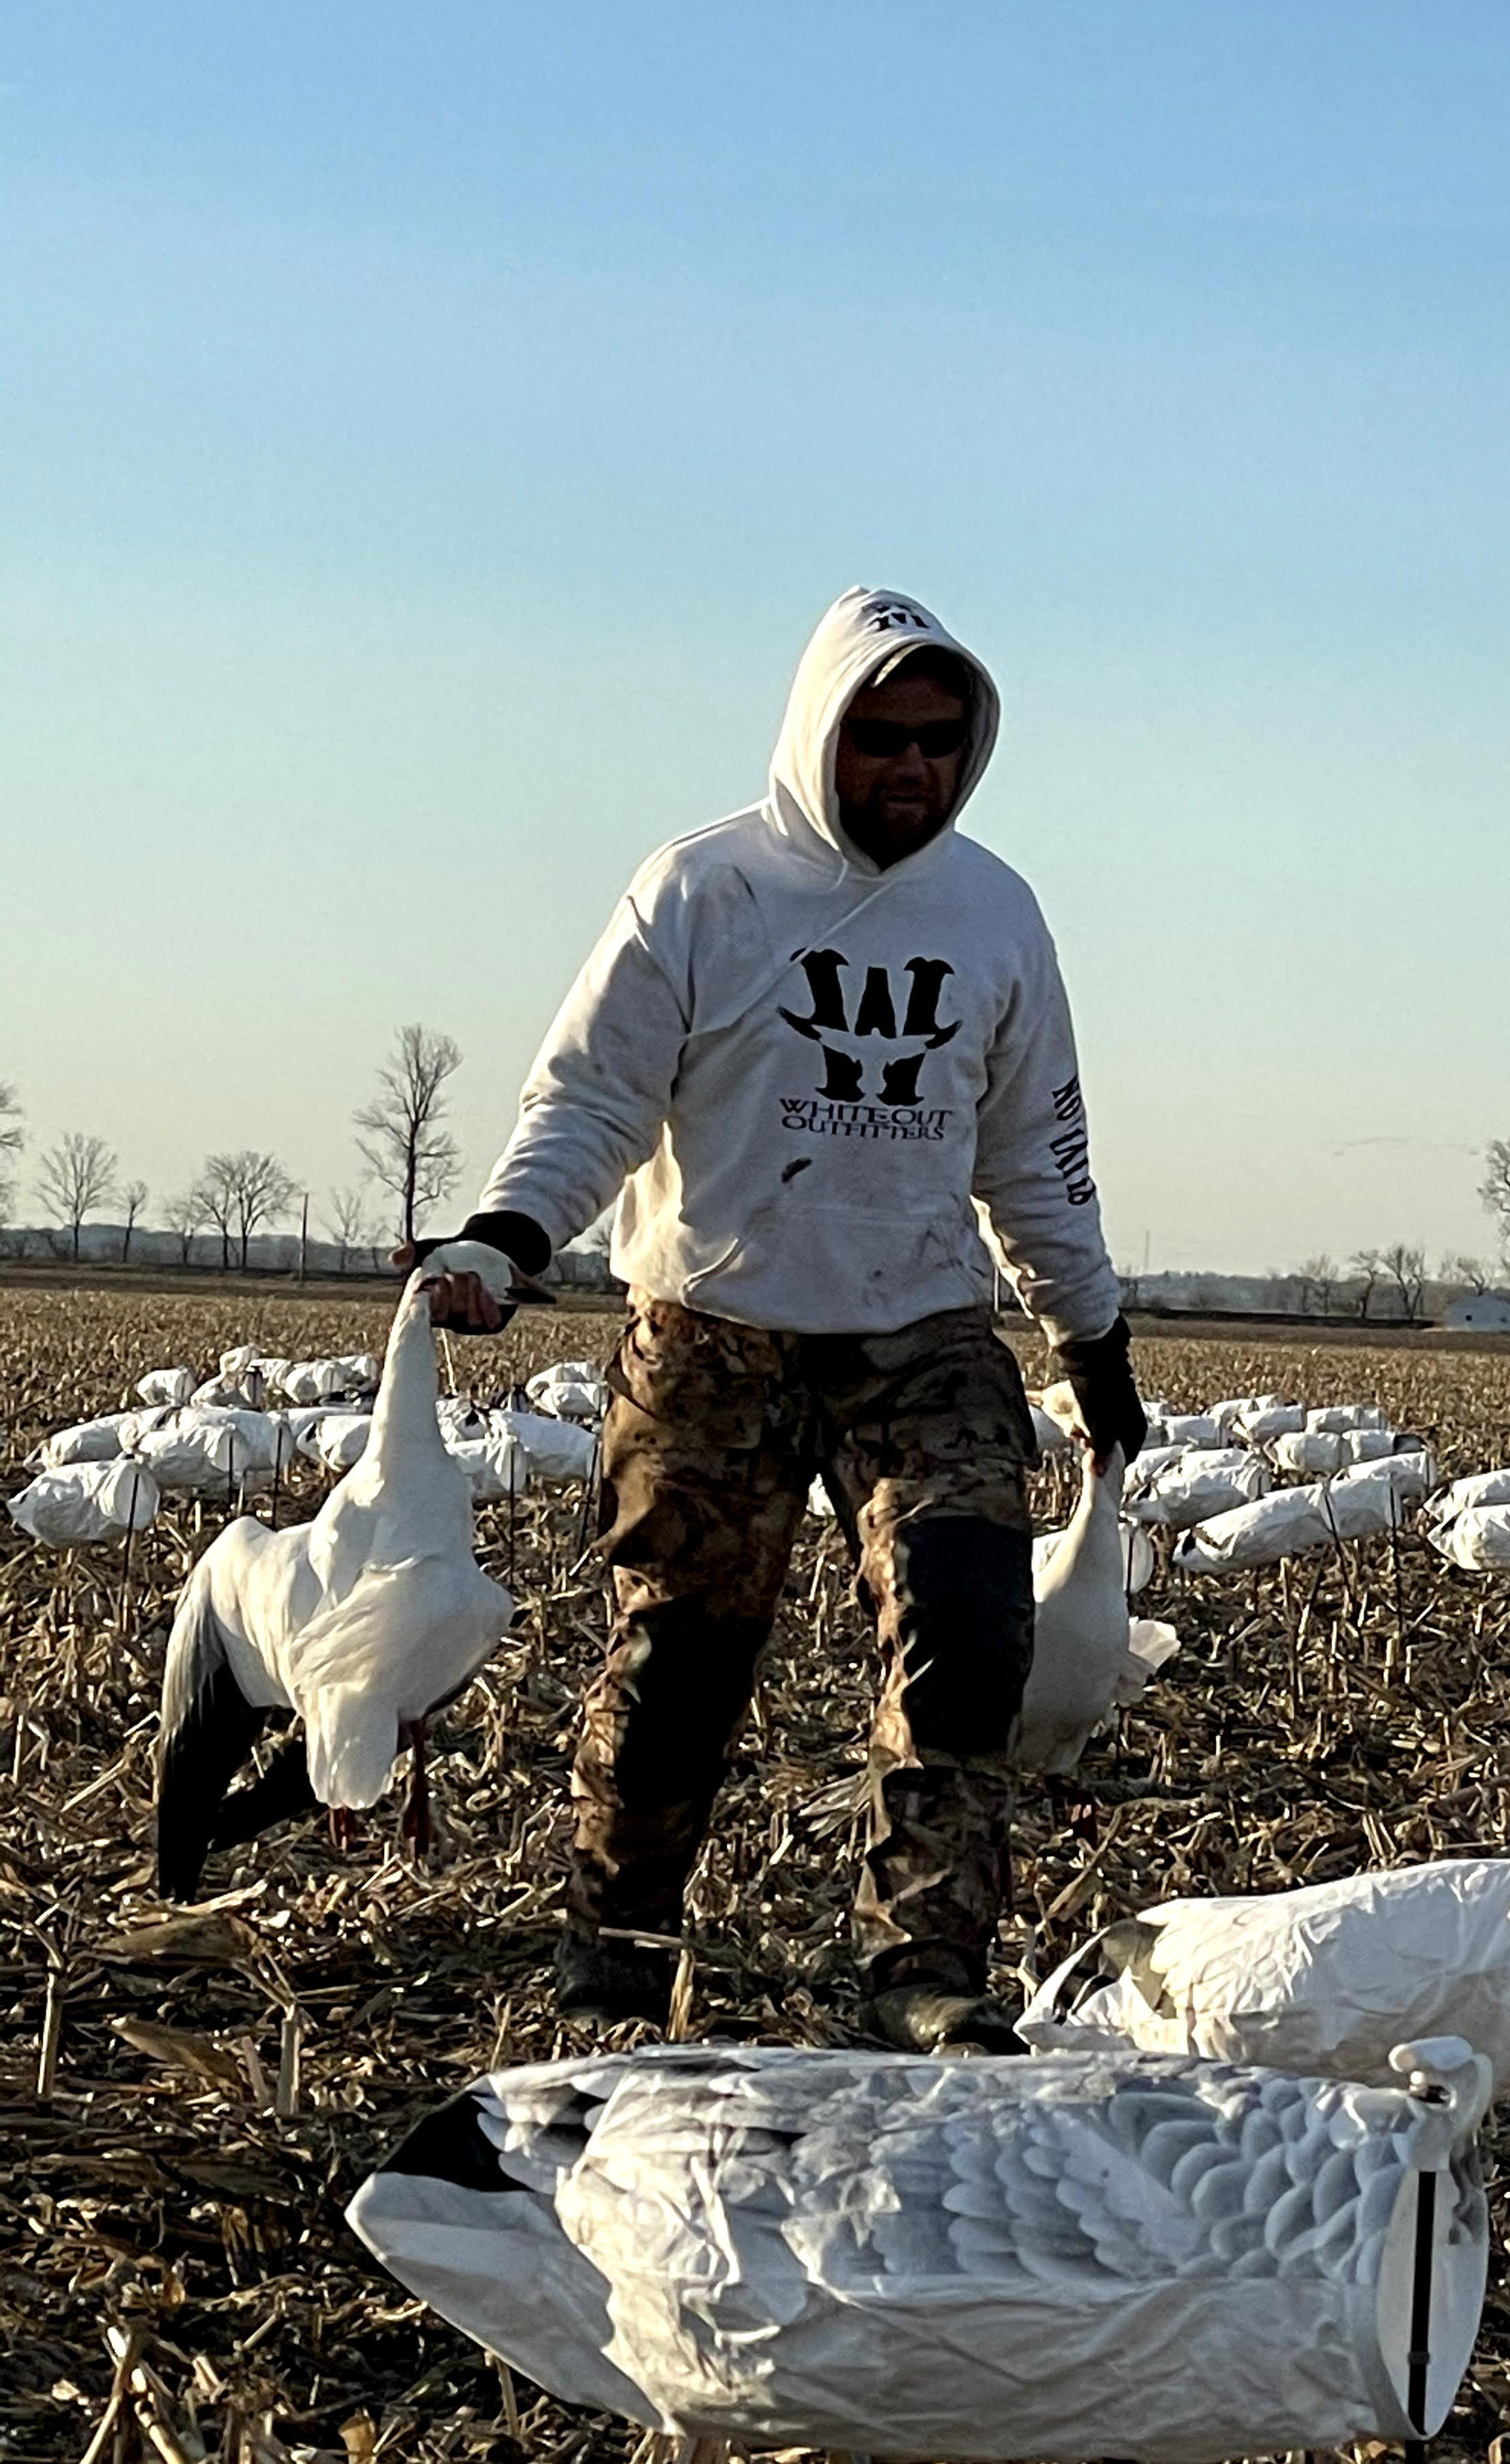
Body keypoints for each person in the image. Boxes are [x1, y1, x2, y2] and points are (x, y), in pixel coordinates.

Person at [412, 587, 1145, 2052]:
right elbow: (594, 1098)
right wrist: (511, 1232)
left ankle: (924, 1968)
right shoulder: (701, 892)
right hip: (712, 1331)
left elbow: (1037, 1152)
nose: (913, 769)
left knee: (968, 1626)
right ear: (822, 731)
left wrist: (1094, 1338)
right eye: (881, 738)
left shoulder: (997, 914)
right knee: (680, 1660)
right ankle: (619, 1957)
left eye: (941, 742)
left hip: (922, 1332)